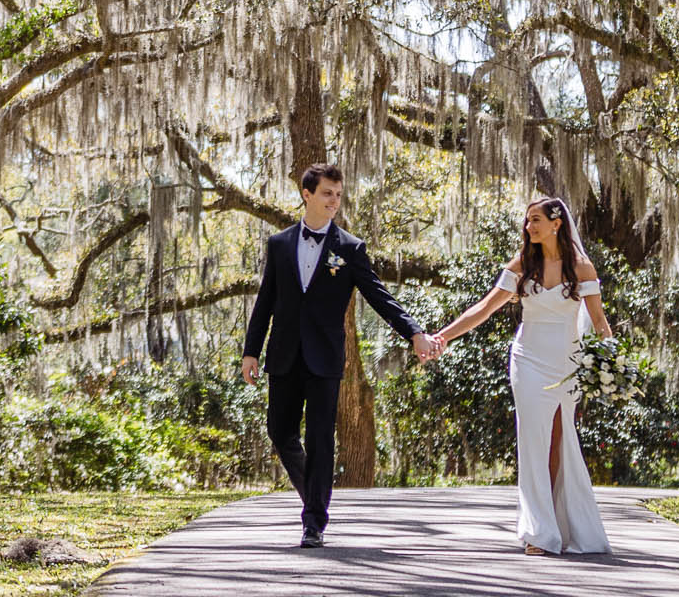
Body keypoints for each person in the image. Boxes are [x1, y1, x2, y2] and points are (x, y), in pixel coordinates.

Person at [241, 162, 440, 548]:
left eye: (338, 194)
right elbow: (266, 300)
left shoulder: (349, 248)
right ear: (307, 195)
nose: (334, 200)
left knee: (319, 439)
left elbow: (379, 296)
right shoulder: (279, 244)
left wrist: (413, 332)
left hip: (325, 358)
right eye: (327, 193)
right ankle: (313, 496)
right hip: (283, 355)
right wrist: (251, 351)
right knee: (280, 432)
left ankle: (313, 521)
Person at [430, 195, 612, 555]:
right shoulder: (521, 266)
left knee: (559, 441)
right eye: (527, 221)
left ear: (556, 223)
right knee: (533, 442)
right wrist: (444, 336)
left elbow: (600, 322)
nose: (529, 227)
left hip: (568, 364)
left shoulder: (582, 268)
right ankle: (539, 534)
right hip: (527, 360)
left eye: (536, 220)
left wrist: (613, 363)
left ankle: (563, 525)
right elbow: (483, 307)